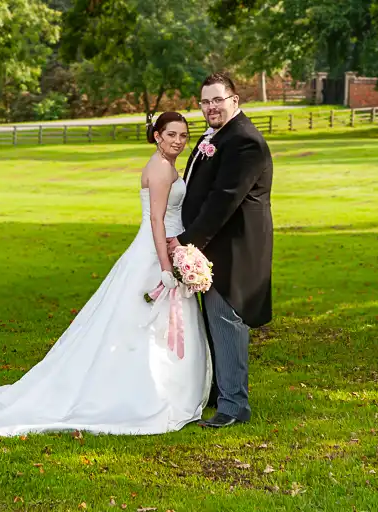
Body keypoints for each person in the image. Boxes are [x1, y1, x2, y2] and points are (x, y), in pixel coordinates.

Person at [0, 112, 212, 436]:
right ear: (157, 136)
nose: (178, 141)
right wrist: (167, 267)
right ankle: (138, 392)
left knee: (147, 323)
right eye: (171, 134)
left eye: (183, 135)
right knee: (138, 322)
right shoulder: (158, 169)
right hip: (154, 253)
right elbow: (156, 220)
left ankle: (166, 386)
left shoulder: (168, 166)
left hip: (168, 247)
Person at [168, 73, 274, 428]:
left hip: (234, 249)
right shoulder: (214, 136)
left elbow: (224, 201)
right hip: (211, 247)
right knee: (212, 321)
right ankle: (218, 391)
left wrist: (186, 241)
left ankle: (234, 405)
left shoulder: (244, 142)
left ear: (235, 100)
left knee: (226, 320)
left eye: (218, 100)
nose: (211, 107)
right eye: (205, 102)